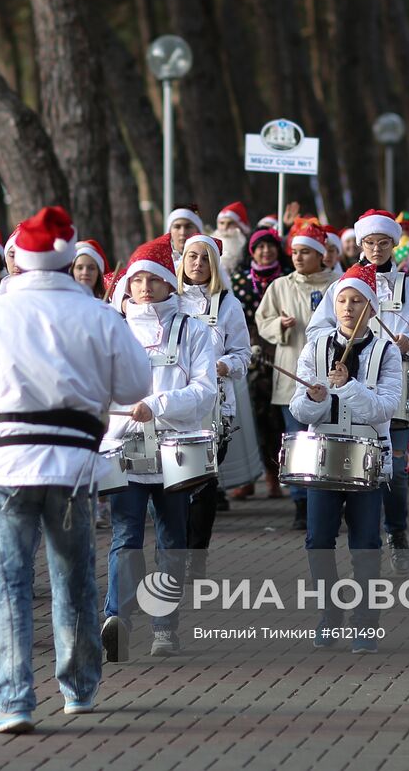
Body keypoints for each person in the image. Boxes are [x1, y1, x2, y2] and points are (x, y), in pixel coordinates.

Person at [0, 206, 149, 733]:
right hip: (74, 466)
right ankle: (78, 689)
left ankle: (13, 700)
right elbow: (137, 388)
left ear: (20, 260)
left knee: (7, 583)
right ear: (68, 257)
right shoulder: (101, 315)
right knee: (73, 578)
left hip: (6, 461)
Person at [101, 238, 217, 662]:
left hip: (175, 451)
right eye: (137, 280)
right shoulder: (112, 328)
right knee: (125, 537)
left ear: (171, 284)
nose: (145, 287)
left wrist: (157, 405)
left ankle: (165, 626)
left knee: (171, 541)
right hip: (124, 449)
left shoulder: (194, 329)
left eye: (154, 279)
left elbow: (205, 390)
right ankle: (117, 620)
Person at [307, 210, 409, 575]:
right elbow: (317, 332)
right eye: (369, 243)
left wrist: (407, 343)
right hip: (342, 395)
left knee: (394, 473)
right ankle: (362, 533)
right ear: (360, 244)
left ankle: (396, 533)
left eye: (384, 243)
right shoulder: (341, 285)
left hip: (392, 394)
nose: (376, 249)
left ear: (395, 245)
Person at [289, 264, 402, 652]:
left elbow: (385, 408)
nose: (349, 308)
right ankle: (329, 612)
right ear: (333, 306)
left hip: (368, 457)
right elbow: (300, 411)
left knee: (366, 540)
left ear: (371, 308)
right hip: (324, 454)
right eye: (343, 300)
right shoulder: (315, 348)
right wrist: (312, 400)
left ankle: (366, 620)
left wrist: (348, 386)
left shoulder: (387, 351)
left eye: (357, 301)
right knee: (318, 539)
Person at [177, 234, 253, 577]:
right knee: (173, 482)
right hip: (176, 406)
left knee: (204, 482)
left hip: (214, 410)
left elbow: (242, 354)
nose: (196, 264)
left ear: (214, 265)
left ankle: (197, 554)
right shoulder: (171, 300)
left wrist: (225, 366)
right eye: (191, 257)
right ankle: (174, 550)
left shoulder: (226, 304)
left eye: (204, 259)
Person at [254, 221, 338, 529]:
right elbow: (263, 318)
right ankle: (301, 502)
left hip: (329, 373)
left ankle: (330, 496)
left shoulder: (338, 284)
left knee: (328, 438)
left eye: (305, 252)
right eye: (294, 252)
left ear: (320, 255)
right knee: (298, 440)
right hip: (292, 374)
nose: (298, 258)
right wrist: (279, 325)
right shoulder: (281, 286)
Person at [228, 227, 285, 500]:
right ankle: (249, 476)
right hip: (248, 353)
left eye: (270, 246)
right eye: (259, 247)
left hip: (281, 352)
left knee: (276, 419)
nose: (265, 251)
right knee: (251, 416)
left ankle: (274, 474)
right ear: (251, 250)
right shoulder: (238, 281)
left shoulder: (285, 279)